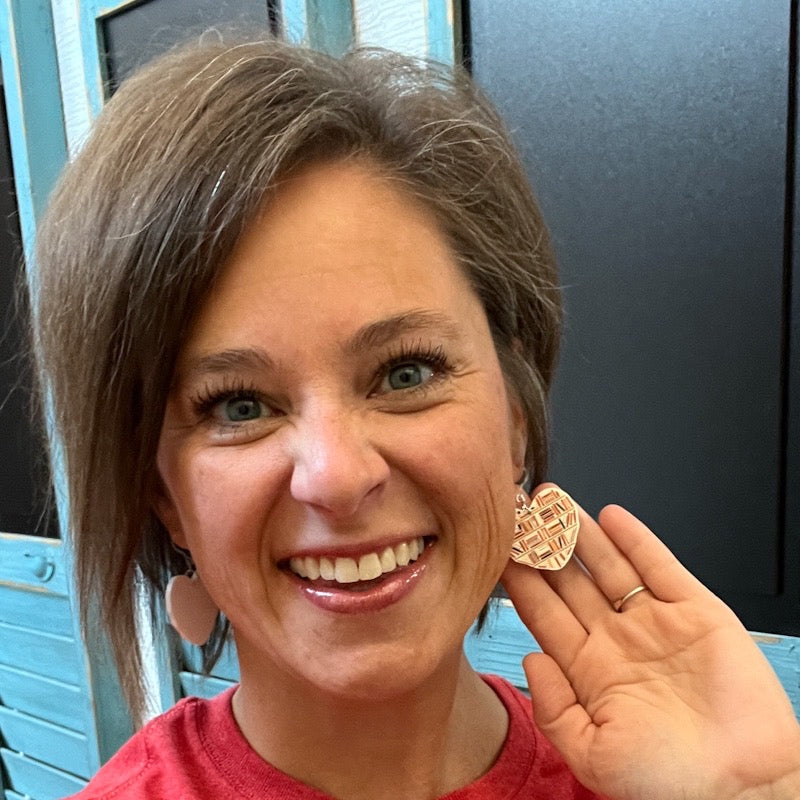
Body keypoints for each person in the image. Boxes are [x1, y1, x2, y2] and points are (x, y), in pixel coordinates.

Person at [31, 36, 800, 800]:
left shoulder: (666, 777)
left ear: (516, 418)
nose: (337, 475)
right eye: (239, 406)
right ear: (162, 494)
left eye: (406, 373)